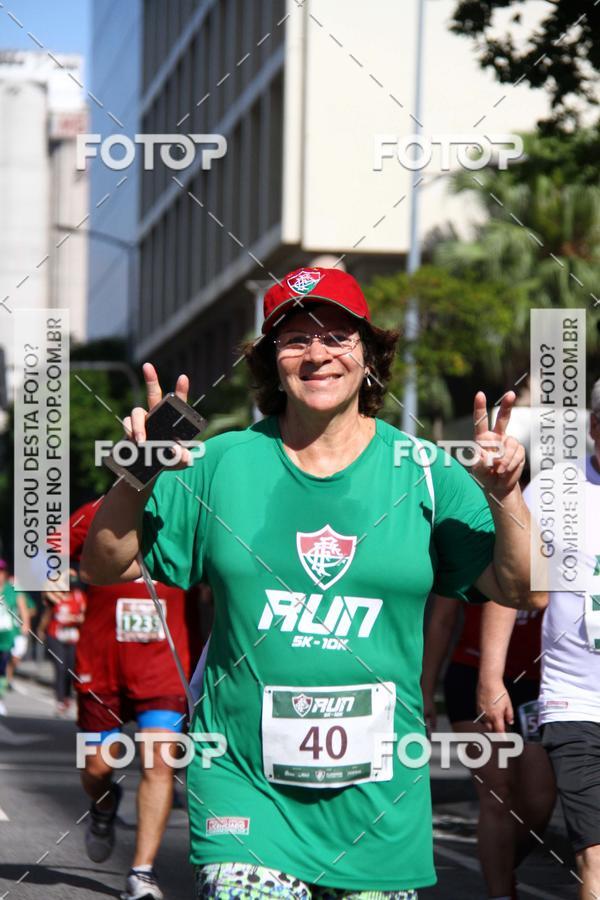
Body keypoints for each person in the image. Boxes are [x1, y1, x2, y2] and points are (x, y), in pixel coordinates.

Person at [81, 266, 546, 899]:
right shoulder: (219, 463)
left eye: (336, 337)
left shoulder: (426, 471)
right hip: (244, 788)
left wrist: (505, 496)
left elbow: (524, 591)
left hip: (379, 803)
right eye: (295, 339)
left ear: (370, 357)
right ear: (271, 363)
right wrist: (137, 474)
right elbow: (104, 565)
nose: (317, 353)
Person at [488, 379, 600, 900]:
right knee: (594, 854)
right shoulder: (555, 491)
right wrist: (491, 677)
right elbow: (512, 580)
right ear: (595, 427)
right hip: (575, 699)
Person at [70, 500, 202, 900]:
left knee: (160, 764)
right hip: (102, 666)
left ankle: (142, 872)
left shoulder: (194, 510)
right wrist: (47, 580)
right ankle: (104, 805)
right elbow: (39, 553)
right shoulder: (101, 509)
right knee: (97, 767)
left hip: (166, 665)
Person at [421, 594, 555, 900]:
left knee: (540, 799)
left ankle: (500, 865)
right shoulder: (472, 558)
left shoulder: (555, 560)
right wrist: (426, 690)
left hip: (540, 683)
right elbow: (442, 620)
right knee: (498, 793)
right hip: (473, 678)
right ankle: (501, 892)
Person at [39, 571, 87, 716]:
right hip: (56, 636)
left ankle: (67, 696)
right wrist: (41, 630)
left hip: (72, 637)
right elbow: (48, 613)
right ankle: (60, 700)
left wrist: (77, 619)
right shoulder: (56, 596)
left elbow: (85, 615)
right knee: (60, 668)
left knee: (70, 669)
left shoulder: (79, 596)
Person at [0, 560, 30, 714]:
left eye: (1, 571)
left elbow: (24, 608)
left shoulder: (13, 589)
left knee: (4, 667)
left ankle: (0, 697)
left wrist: (26, 625)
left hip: (7, 636)